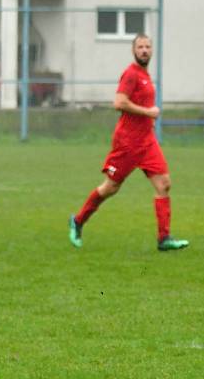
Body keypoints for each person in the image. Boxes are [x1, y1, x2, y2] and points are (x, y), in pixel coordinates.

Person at [68, 34, 188, 251]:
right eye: (140, 47)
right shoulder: (131, 74)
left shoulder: (145, 75)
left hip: (147, 141)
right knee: (110, 187)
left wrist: (148, 119)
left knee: (164, 184)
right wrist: (148, 112)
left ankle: (164, 239)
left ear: (152, 50)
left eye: (147, 46)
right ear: (134, 51)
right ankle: (77, 221)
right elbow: (119, 102)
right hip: (127, 143)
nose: (144, 50)